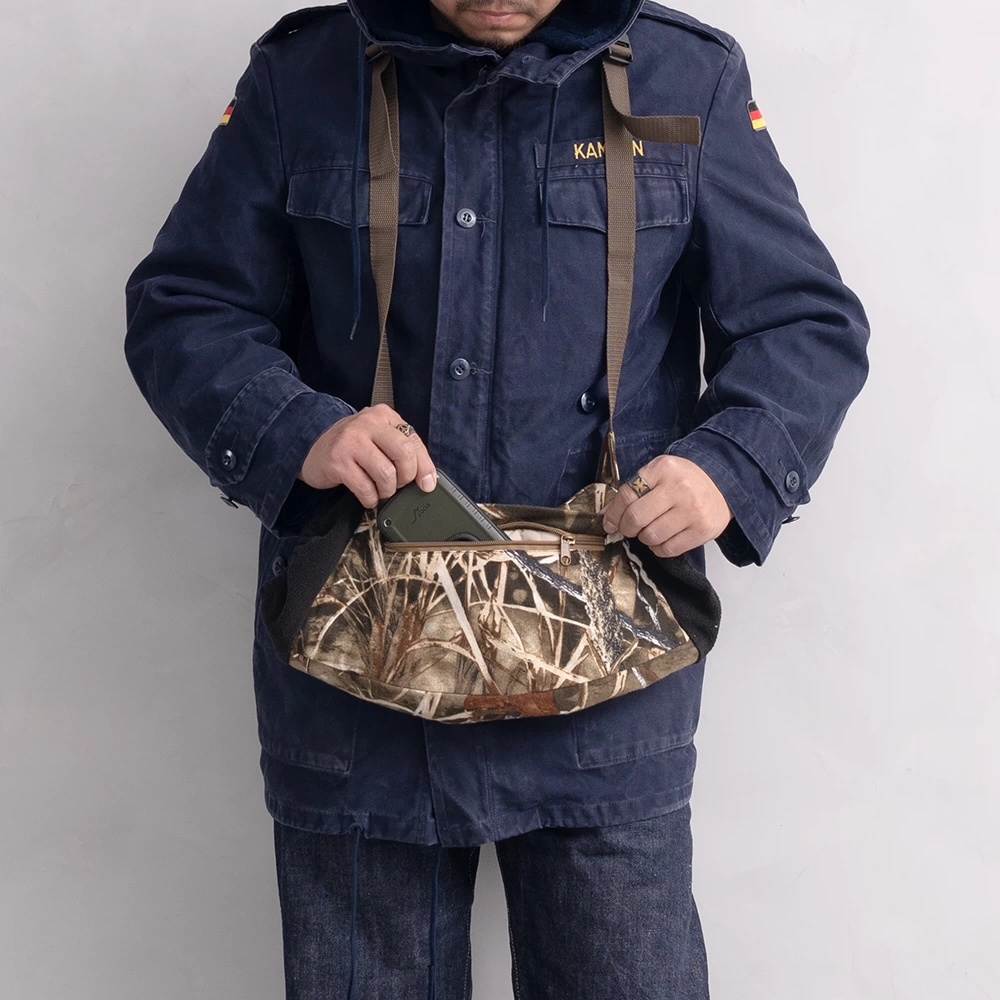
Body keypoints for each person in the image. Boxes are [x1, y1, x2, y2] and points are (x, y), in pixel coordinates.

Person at [123, 0, 870, 996]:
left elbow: (802, 323)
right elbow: (185, 306)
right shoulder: (300, 78)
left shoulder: (688, 77)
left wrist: (726, 469)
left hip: (608, 694)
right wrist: (299, 431)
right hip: (354, 690)